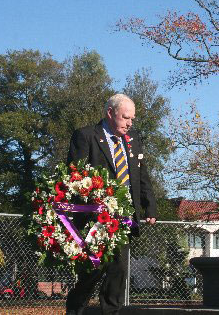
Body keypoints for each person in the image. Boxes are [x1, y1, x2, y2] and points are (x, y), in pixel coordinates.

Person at [65, 94, 157, 315]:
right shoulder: (86, 136)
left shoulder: (133, 139)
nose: (130, 123)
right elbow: (74, 177)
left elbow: (140, 174)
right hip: (93, 219)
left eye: (132, 119)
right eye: (125, 118)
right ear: (110, 113)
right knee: (94, 271)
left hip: (123, 218)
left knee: (118, 272)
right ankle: (74, 309)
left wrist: (149, 205)